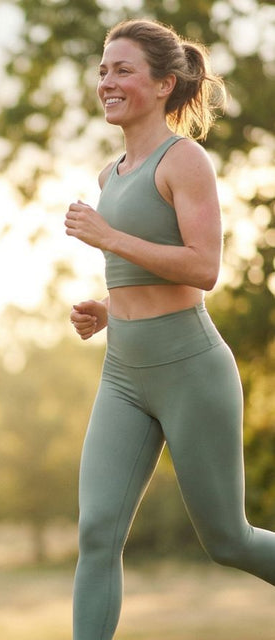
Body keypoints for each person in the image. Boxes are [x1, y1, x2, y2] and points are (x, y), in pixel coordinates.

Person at [64, 18, 275, 640]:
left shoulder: (185, 160)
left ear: (163, 84)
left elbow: (203, 267)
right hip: (124, 371)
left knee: (228, 541)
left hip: (190, 368)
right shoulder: (113, 174)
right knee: (97, 531)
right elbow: (141, 269)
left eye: (122, 69)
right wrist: (106, 307)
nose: (107, 81)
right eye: (104, 70)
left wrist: (105, 236)